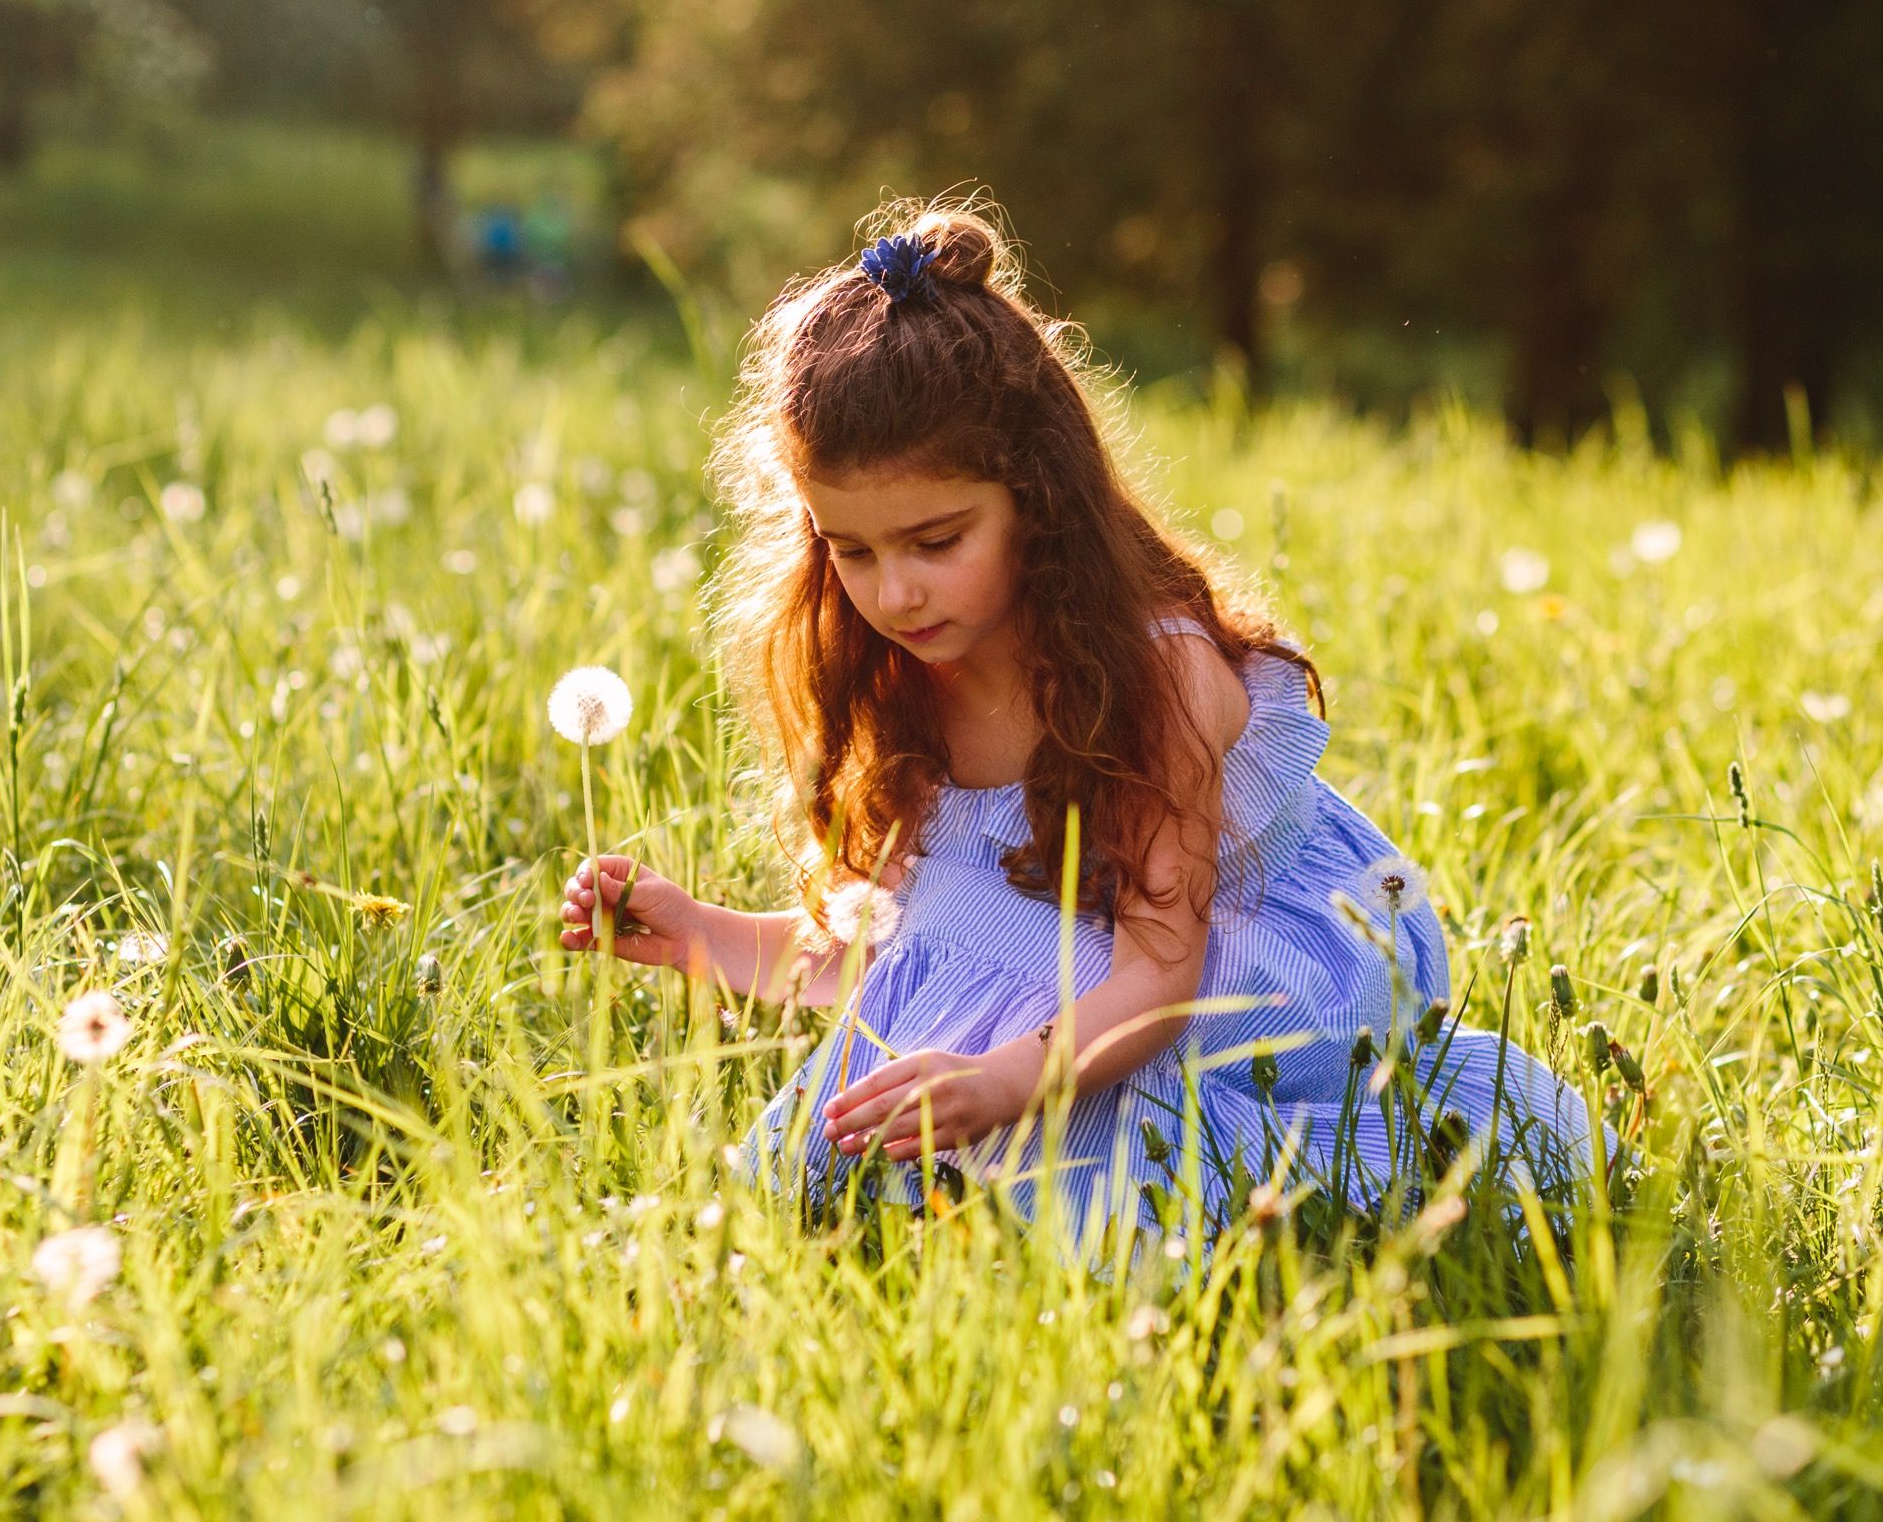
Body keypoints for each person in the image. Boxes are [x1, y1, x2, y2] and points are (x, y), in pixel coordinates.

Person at [560, 204, 1598, 1249]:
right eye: (853, 551)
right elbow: (915, 956)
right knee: (869, 1163)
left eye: (935, 539)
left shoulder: (1156, 681)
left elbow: (1156, 973)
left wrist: (1005, 1081)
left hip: (1224, 990)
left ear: (1037, 499)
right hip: (1060, 998)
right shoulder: (905, 681)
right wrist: (703, 936)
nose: (896, 592)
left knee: (1130, 1180)